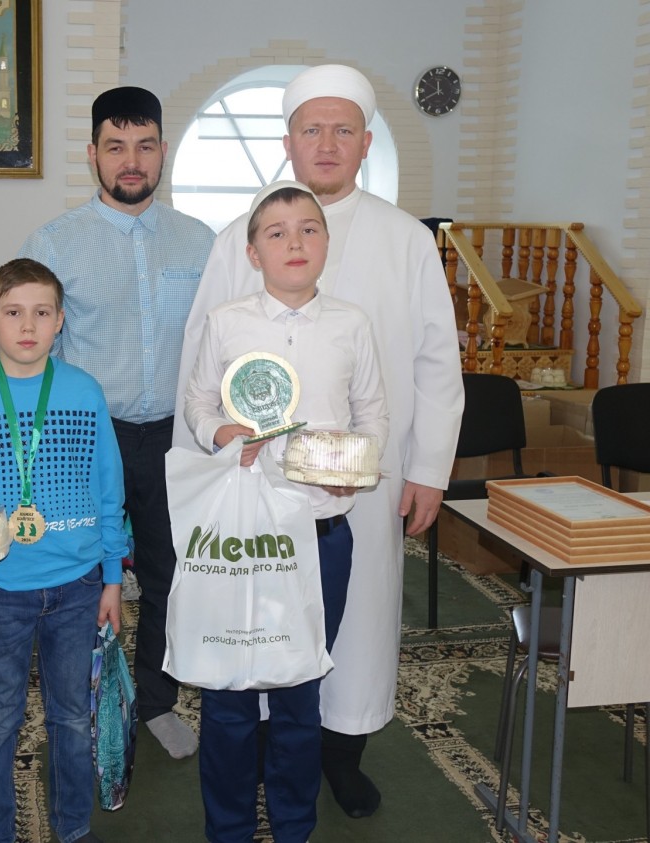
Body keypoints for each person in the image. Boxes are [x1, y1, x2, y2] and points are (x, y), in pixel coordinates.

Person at [174, 65, 465, 817]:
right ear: (289, 143)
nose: (327, 143)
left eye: (343, 130)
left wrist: (429, 468)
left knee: (354, 623)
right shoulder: (241, 236)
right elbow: (199, 367)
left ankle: (342, 755)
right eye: (312, 129)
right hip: (254, 491)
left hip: (362, 484)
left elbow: (437, 362)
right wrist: (204, 478)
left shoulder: (408, 240)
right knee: (255, 627)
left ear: (366, 142)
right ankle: (261, 757)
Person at [181, 181, 387, 842]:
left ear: (326, 243)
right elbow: (198, 401)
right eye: (276, 233)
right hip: (245, 539)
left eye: (308, 229)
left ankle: (295, 826)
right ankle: (229, 828)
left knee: (301, 693)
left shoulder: (352, 324)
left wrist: (353, 464)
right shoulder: (227, 322)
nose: (294, 242)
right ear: (253, 252)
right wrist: (222, 433)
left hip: (321, 537)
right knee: (229, 693)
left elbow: (373, 414)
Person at [19, 86, 215, 759]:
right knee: (78, 581)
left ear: (163, 151)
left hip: (175, 439)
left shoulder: (201, 242)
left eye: (145, 145)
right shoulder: (53, 243)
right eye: (116, 146)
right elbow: (34, 350)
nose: (132, 160)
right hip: (86, 439)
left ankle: (156, 702)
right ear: (93, 154)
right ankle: (79, 707)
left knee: (168, 575)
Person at [0, 258, 125, 843]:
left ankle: (73, 827)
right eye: (13, 312)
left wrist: (112, 577)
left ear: (59, 321)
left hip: (78, 584)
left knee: (72, 716)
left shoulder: (83, 391)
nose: (28, 325)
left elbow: (108, 488)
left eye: (42, 312)